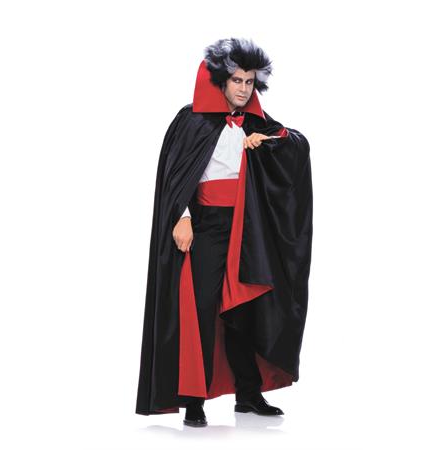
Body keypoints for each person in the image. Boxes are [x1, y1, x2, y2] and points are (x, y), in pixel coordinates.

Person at [135, 37, 313, 428]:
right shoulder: (191, 121)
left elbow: (296, 144)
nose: (244, 89)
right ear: (220, 81)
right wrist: (181, 217)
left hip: (249, 227)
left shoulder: (256, 122)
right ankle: (193, 400)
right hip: (207, 225)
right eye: (237, 81)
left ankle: (248, 395)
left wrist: (267, 143)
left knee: (245, 309)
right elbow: (175, 177)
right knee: (200, 308)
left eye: (250, 82)